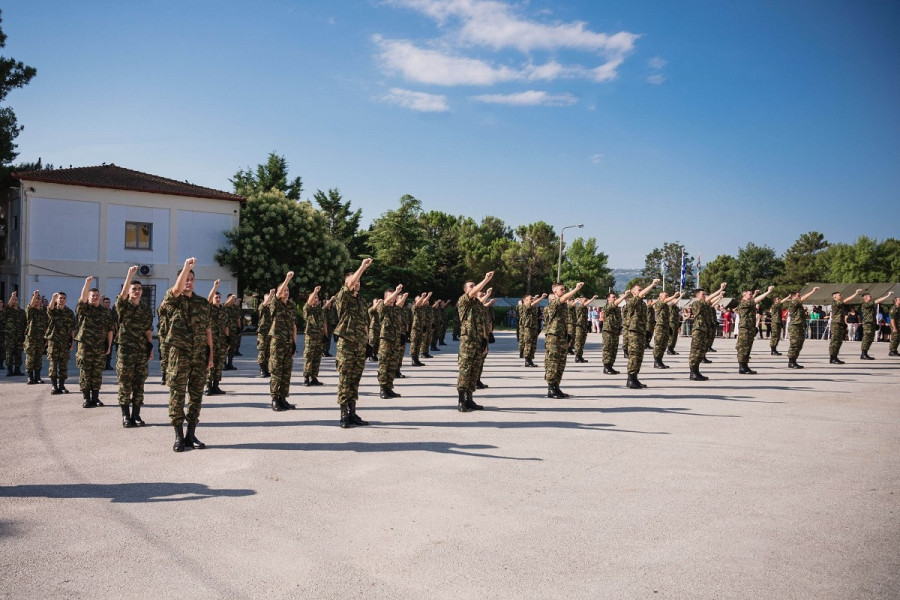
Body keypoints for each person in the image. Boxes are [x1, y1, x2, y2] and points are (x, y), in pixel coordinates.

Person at [163, 258, 213, 452]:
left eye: (191, 279)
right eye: (185, 279)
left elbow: (208, 330)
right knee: (177, 395)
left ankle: (191, 435)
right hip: (179, 355)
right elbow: (176, 289)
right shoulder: (173, 299)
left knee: (196, 396)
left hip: (199, 355)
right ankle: (178, 436)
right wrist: (186, 267)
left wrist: (210, 356)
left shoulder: (202, 303)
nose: (188, 282)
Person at [335, 258, 374, 428]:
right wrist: (362, 267)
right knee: (345, 380)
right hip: (346, 345)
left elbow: (364, 323)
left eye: (358, 281)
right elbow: (350, 284)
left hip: (359, 345)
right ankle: (343, 415)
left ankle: (352, 413)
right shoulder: (342, 297)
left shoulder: (362, 301)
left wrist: (367, 342)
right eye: (353, 281)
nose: (356, 283)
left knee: (355, 380)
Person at [115, 266, 154, 427]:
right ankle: (125, 416)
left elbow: (148, 330)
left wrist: (150, 347)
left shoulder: (145, 309)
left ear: (142, 292)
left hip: (141, 350)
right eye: (134, 289)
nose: (136, 291)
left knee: (139, 384)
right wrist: (129, 275)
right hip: (126, 351)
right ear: (129, 291)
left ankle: (136, 415)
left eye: (139, 289)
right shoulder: (124, 306)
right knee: (125, 383)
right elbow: (122, 295)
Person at [456, 271, 494, 411]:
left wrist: (485, 340)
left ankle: (469, 399)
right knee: (465, 370)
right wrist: (485, 280)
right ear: (466, 290)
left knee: (474, 371)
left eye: (474, 285)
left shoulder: (478, 304)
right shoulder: (463, 301)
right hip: (468, 342)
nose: (474, 287)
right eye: (471, 286)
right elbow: (473, 293)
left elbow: (483, 323)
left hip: (478, 342)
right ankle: (461, 400)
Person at [74, 278, 114, 407]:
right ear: (88, 297)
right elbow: (82, 298)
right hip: (85, 346)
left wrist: (109, 346)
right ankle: (86, 398)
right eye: (92, 295)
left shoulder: (105, 312)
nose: (95, 297)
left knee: (97, 372)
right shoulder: (84, 309)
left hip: (99, 346)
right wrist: (87, 284)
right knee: (85, 372)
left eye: (97, 295)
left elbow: (110, 330)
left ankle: (95, 398)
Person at [544, 280, 585, 398]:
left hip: (561, 336)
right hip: (553, 337)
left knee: (561, 363)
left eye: (564, 289)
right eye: (561, 289)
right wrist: (576, 289)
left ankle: (556, 387)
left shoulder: (563, 306)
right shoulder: (553, 303)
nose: (564, 291)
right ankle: (551, 388)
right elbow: (564, 298)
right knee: (553, 362)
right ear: (555, 292)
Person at [268, 271, 298, 412]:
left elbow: (293, 326)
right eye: (284, 290)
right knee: (276, 371)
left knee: (286, 372)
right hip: (277, 342)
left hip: (288, 342)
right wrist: (287, 278)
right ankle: (274, 399)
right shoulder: (275, 303)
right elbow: (278, 294)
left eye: (287, 290)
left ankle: (283, 398)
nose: (286, 292)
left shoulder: (291, 306)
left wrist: (294, 344)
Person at [623, 279, 660, 389]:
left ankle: (635, 378)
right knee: (634, 356)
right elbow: (640, 295)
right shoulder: (633, 301)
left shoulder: (643, 304)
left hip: (640, 332)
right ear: (633, 293)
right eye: (639, 290)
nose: (641, 291)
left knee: (639, 356)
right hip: (634, 332)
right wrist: (653, 284)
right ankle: (630, 379)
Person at [688, 283, 727, 381]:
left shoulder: (704, 304)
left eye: (705, 294)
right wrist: (720, 289)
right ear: (697, 296)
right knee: (695, 351)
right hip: (698, 330)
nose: (705, 296)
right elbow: (709, 299)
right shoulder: (696, 303)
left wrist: (720, 296)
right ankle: (693, 373)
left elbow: (711, 302)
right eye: (703, 294)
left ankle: (696, 372)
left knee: (700, 351)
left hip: (703, 330)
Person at [735, 286, 775, 374]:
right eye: (749, 294)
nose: (751, 295)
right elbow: (755, 300)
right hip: (745, 329)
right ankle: (742, 367)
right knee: (743, 348)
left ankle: (745, 366)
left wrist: (755, 294)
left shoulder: (748, 303)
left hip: (749, 328)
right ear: (744, 295)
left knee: (747, 348)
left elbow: (753, 299)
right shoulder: (744, 303)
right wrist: (768, 292)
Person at [376, 285, 405, 398]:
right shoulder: (382, 306)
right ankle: (382, 388)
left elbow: (399, 324)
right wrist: (396, 291)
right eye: (390, 296)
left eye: (394, 296)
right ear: (385, 297)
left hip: (396, 341)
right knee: (384, 365)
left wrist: (402, 336)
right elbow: (386, 301)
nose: (393, 297)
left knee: (393, 365)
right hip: (386, 341)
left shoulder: (397, 309)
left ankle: (389, 387)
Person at [46, 291, 75, 394]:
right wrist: (53, 298)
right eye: (60, 298)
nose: (62, 300)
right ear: (57, 300)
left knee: (63, 365)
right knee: (53, 364)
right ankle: (54, 386)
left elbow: (72, 328)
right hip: (54, 342)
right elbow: (50, 308)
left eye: (63, 298)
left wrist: (72, 342)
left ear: (66, 300)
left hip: (65, 342)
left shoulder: (69, 312)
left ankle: (62, 386)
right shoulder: (53, 310)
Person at [784, 287, 820, 368]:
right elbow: (803, 298)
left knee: (799, 344)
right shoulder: (794, 302)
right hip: (795, 326)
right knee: (794, 344)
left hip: (800, 326)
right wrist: (812, 291)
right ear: (793, 297)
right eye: (798, 296)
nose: (800, 297)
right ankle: (791, 361)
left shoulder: (798, 304)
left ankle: (794, 360)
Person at [205, 282, 228, 395]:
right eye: (216, 297)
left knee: (219, 364)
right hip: (211, 341)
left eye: (219, 297)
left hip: (221, 341)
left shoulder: (223, 310)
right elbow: (209, 299)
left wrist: (227, 339)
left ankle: (216, 386)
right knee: (210, 363)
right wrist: (215, 287)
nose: (218, 299)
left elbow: (226, 326)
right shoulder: (209, 308)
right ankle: (208, 386)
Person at [828, 289, 862, 364]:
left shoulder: (839, 304)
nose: (841, 296)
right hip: (836, 323)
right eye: (839, 295)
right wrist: (855, 293)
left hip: (840, 323)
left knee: (839, 341)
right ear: (835, 297)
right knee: (835, 340)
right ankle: (832, 357)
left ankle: (835, 357)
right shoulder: (835, 303)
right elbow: (846, 300)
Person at [303, 286, 326, 386]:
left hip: (319, 338)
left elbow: (324, 323)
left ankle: (314, 377)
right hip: (310, 338)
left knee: (317, 358)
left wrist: (325, 335)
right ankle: (306, 377)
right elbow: (308, 303)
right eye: (314, 298)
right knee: (309, 358)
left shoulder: (320, 310)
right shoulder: (307, 309)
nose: (316, 299)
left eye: (317, 298)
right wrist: (315, 291)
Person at [652, 291, 682, 370]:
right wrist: (674, 296)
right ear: (660, 297)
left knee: (663, 345)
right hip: (660, 327)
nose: (667, 297)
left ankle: (660, 360)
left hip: (665, 326)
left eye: (668, 295)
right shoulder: (659, 303)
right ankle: (656, 361)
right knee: (658, 345)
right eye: (666, 295)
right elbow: (667, 301)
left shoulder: (666, 306)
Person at [860, 291, 894, 359]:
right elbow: (877, 301)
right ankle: (863, 353)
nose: (871, 297)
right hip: (867, 323)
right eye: (869, 296)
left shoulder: (871, 305)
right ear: (865, 298)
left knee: (870, 338)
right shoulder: (865, 304)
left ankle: (865, 353)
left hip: (871, 323)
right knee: (867, 338)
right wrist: (887, 296)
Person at [24, 290, 49, 384]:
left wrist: (47, 338)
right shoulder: (30, 310)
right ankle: (30, 377)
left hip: (41, 338)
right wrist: (35, 295)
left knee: (38, 358)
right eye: (35, 299)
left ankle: (37, 377)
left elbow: (46, 325)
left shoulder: (44, 311)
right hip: (31, 338)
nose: (37, 300)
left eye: (38, 298)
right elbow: (30, 305)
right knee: (30, 358)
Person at [602, 291, 627, 374]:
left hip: (615, 331)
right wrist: (624, 296)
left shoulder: (616, 308)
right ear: (608, 298)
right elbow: (615, 303)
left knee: (614, 349)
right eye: (613, 297)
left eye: (615, 297)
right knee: (608, 349)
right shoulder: (607, 306)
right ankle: (606, 367)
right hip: (608, 331)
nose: (615, 298)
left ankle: (610, 366)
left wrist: (620, 328)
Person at [520, 293, 547, 367]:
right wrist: (541, 298)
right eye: (530, 299)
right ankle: (527, 360)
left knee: (533, 344)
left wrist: (535, 298)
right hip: (528, 328)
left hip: (534, 327)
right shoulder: (524, 306)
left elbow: (533, 303)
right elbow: (532, 303)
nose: (532, 300)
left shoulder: (533, 306)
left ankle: (530, 359)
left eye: (532, 299)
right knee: (528, 344)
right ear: (525, 300)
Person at [3, 292, 26, 376]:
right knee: (9, 353)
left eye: (16, 299)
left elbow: (25, 323)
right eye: (13, 300)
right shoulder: (8, 310)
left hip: (19, 336)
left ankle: (17, 369)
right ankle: (9, 370)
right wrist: (12, 296)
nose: (14, 301)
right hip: (10, 336)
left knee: (18, 353)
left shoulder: (22, 312)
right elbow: (8, 306)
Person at [573, 295, 598, 363]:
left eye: (586, 300)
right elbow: (584, 304)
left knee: (582, 342)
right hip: (579, 326)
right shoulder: (579, 306)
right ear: (581, 300)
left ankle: (580, 356)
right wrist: (592, 298)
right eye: (585, 300)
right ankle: (577, 356)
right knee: (578, 342)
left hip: (583, 326)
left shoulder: (585, 308)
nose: (586, 301)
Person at [256, 290, 274, 377]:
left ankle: (267, 369)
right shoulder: (262, 307)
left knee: (269, 352)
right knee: (262, 351)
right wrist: (270, 295)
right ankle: (262, 369)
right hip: (263, 333)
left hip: (271, 332)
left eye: (270, 299)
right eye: (268, 299)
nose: (269, 300)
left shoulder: (272, 308)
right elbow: (264, 304)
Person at [157, 301, 170, 385]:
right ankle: (164, 376)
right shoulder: (162, 312)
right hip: (164, 338)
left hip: (174, 337)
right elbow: (161, 307)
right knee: (164, 357)